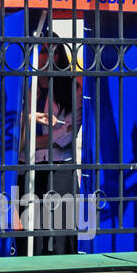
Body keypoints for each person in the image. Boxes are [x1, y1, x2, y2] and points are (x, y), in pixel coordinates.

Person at [28, 42, 82, 256]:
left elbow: (64, 135)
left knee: (62, 230)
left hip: (60, 166)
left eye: (54, 51)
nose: (47, 56)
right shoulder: (23, 88)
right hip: (27, 166)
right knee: (30, 230)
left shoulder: (73, 89)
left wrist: (25, 141)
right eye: (42, 50)